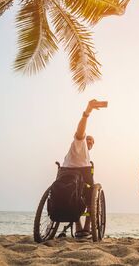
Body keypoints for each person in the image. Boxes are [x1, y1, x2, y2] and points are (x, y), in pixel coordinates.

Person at [62, 99, 104, 238]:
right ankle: (81, 228)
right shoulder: (79, 144)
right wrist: (87, 112)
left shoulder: (85, 156)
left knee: (85, 198)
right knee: (91, 196)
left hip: (66, 174)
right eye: (89, 139)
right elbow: (80, 131)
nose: (90, 141)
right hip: (75, 176)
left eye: (92, 141)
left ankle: (85, 227)